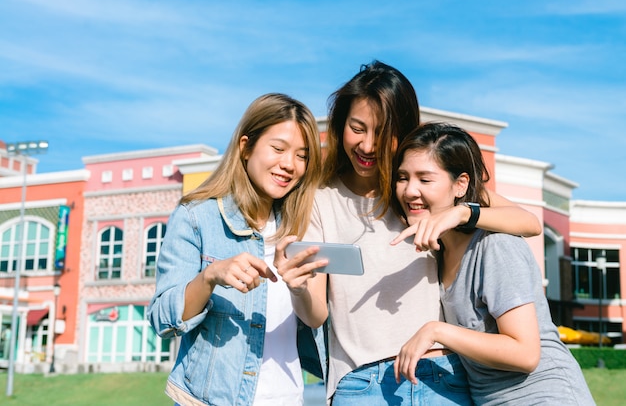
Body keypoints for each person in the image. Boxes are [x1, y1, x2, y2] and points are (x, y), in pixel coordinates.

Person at [276, 61, 543, 405]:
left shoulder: (424, 185)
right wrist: (298, 288)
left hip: (441, 376)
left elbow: (529, 223)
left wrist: (461, 213)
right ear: (341, 125)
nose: (368, 146)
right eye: (357, 128)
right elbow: (316, 315)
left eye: (382, 133)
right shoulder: (319, 200)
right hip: (362, 383)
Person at [392, 122, 595, 405]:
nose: (410, 190)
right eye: (403, 177)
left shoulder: (495, 246)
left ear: (460, 185)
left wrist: (436, 331)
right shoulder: (439, 252)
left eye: (425, 180)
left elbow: (525, 354)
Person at [148, 93, 323, 406]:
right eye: (279, 149)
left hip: (288, 398)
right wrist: (210, 277)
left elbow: (315, 318)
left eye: (302, 155)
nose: (289, 164)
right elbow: (163, 320)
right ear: (245, 147)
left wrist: (300, 290)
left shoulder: (304, 225)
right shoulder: (196, 216)